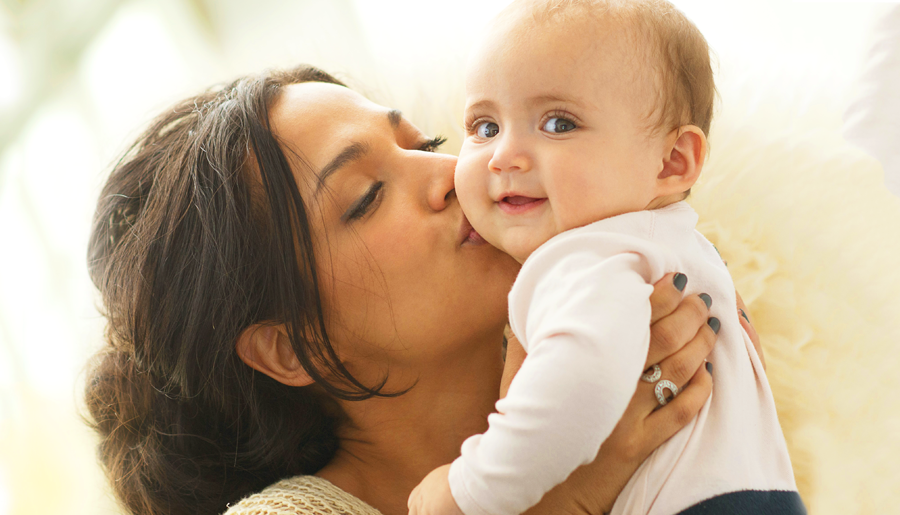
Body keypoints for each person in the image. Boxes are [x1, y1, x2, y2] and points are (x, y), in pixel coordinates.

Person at [84, 64, 749, 515]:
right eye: (368, 195)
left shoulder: (625, 318)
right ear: (291, 345)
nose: (452, 173)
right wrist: (569, 496)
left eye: (425, 142)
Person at [407, 1, 803, 515]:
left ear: (671, 162)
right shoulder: (681, 249)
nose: (504, 155)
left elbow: (581, 380)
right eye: (484, 127)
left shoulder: (584, 253)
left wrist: (468, 492)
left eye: (558, 123)